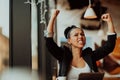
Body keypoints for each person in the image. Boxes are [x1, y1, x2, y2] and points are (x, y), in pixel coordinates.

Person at [44, 9, 117, 80]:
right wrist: (53, 17)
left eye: (82, 34)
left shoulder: (90, 56)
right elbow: (49, 43)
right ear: (69, 41)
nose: (80, 37)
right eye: (76, 35)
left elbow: (109, 46)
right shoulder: (63, 55)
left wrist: (109, 21)